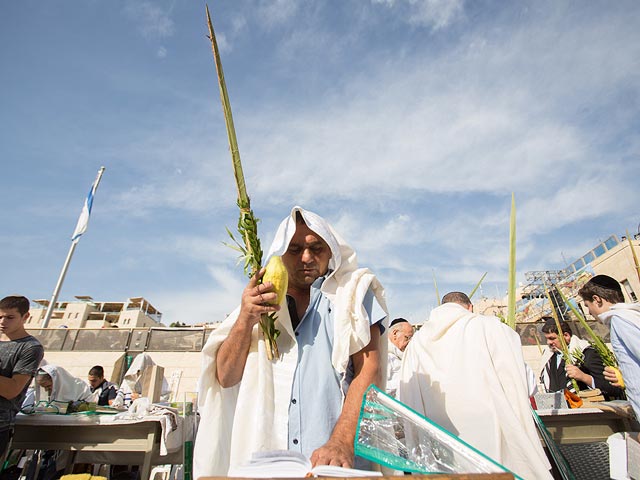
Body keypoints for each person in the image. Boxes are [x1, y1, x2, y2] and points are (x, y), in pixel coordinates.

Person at [194, 207, 388, 478]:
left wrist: (341, 441)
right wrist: (245, 319)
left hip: (337, 466)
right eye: (295, 250)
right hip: (272, 467)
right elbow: (225, 377)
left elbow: (370, 370)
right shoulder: (259, 303)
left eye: (316, 247)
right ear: (281, 253)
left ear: (331, 250)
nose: (306, 258)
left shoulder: (353, 294)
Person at [399, 292, 552, 479]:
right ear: (470, 307)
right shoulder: (491, 327)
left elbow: (407, 397)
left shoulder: (417, 343)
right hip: (492, 429)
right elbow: (523, 382)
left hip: (441, 441)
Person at [578, 274, 640, 419]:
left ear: (597, 299)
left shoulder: (621, 321)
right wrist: (625, 376)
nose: (589, 312)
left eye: (587, 306)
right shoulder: (630, 318)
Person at [0, 295, 44, 463]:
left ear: (25, 317)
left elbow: (12, 390)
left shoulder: (30, 347)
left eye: (10, 317)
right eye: (0, 317)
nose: (3, 322)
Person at [540, 317, 623, 400]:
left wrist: (583, 377)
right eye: (546, 339)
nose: (549, 343)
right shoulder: (549, 358)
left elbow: (613, 388)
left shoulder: (587, 353)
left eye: (552, 338)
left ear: (566, 335)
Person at [386, 318, 413, 397]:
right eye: (407, 338)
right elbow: (379, 390)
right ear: (395, 333)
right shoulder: (386, 357)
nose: (409, 342)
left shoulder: (400, 356)